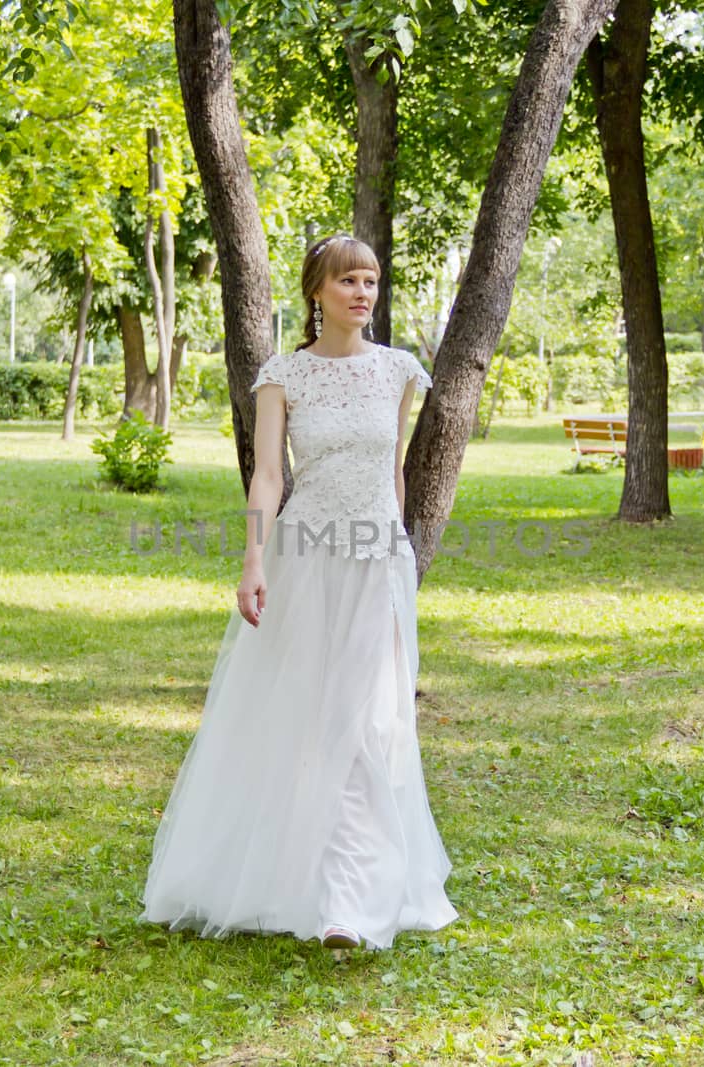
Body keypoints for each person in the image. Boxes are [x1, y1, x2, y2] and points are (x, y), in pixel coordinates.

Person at [138, 233, 458, 951]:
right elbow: (269, 478)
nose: (363, 293)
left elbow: (396, 472)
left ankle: (351, 899)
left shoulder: (401, 372)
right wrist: (254, 560)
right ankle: (299, 880)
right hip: (304, 559)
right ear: (318, 291)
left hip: (376, 559)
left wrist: (398, 548)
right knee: (307, 718)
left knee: (372, 719)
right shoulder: (283, 375)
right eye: (348, 280)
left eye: (371, 280)